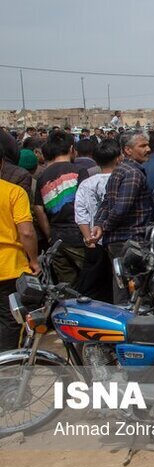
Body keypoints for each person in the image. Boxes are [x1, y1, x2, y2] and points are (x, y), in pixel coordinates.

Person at [90, 132, 154, 304]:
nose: (148, 149)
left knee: (121, 284)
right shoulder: (133, 173)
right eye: (142, 146)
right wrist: (104, 227)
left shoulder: (120, 170)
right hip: (129, 240)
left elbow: (106, 202)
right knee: (134, 290)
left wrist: (99, 224)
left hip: (119, 240)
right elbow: (119, 209)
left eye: (147, 145)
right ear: (128, 150)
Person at [34, 129, 89, 285]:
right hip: (78, 236)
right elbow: (85, 204)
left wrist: (49, 235)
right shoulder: (79, 171)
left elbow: (38, 209)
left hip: (57, 238)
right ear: (72, 149)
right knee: (89, 282)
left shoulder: (42, 176)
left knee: (66, 286)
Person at [74, 138, 121, 302]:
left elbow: (81, 213)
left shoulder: (86, 184)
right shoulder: (125, 181)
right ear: (118, 158)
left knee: (97, 288)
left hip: (96, 241)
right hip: (119, 241)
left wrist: (89, 238)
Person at [0, 168, 39, 349]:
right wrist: (34, 260)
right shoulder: (13, 192)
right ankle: (8, 369)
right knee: (11, 321)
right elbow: (26, 232)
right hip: (9, 268)